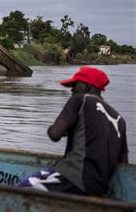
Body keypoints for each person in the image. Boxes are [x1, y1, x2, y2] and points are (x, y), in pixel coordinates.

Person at [16, 66, 129, 196]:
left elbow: (54, 134)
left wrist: (63, 129)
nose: (72, 89)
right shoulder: (120, 119)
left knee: (16, 191)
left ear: (87, 86)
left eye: (75, 85)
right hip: (97, 189)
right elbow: (123, 165)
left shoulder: (81, 98)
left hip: (71, 178)